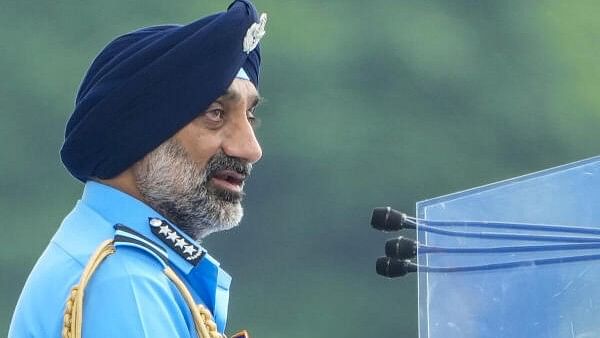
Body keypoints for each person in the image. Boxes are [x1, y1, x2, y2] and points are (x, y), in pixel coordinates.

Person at [9, 0, 267, 337]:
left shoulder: (134, 266)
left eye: (249, 116)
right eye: (215, 113)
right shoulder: (126, 281)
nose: (250, 149)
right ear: (140, 133)